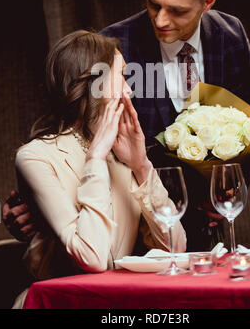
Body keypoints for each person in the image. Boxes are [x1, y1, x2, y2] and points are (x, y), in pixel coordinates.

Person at [3, 0, 250, 251]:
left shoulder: (230, 34)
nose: (161, 20)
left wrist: (228, 190)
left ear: (208, 2)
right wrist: (34, 201)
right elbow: (71, 132)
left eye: (177, 11)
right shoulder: (113, 45)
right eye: (154, 4)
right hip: (136, 233)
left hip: (209, 222)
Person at [11, 30, 186, 308]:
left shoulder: (121, 153)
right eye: (122, 78)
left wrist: (141, 165)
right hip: (60, 303)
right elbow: (93, 259)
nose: (129, 90)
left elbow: (175, 248)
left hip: (116, 302)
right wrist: (95, 159)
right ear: (94, 86)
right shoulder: (35, 157)